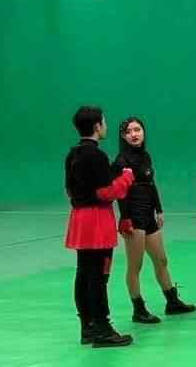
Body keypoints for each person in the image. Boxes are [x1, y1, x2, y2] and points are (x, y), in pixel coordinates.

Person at [113, 116, 196, 324]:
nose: (134, 134)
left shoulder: (145, 156)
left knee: (161, 260)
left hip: (149, 215)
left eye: (137, 130)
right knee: (135, 266)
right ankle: (138, 309)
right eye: (129, 132)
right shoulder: (121, 161)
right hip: (134, 217)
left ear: (143, 132)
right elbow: (120, 192)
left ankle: (172, 302)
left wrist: (159, 209)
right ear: (123, 136)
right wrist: (125, 218)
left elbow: (151, 184)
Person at [64, 106, 135, 347]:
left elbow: (70, 189)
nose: (105, 126)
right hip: (97, 220)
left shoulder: (72, 154)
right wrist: (126, 178)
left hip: (79, 218)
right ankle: (103, 329)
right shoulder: (97, 156)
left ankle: (88, 327)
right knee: (98, 276)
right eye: (103, 122)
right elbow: (106, 192)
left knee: (83, 273)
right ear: (97, 126)